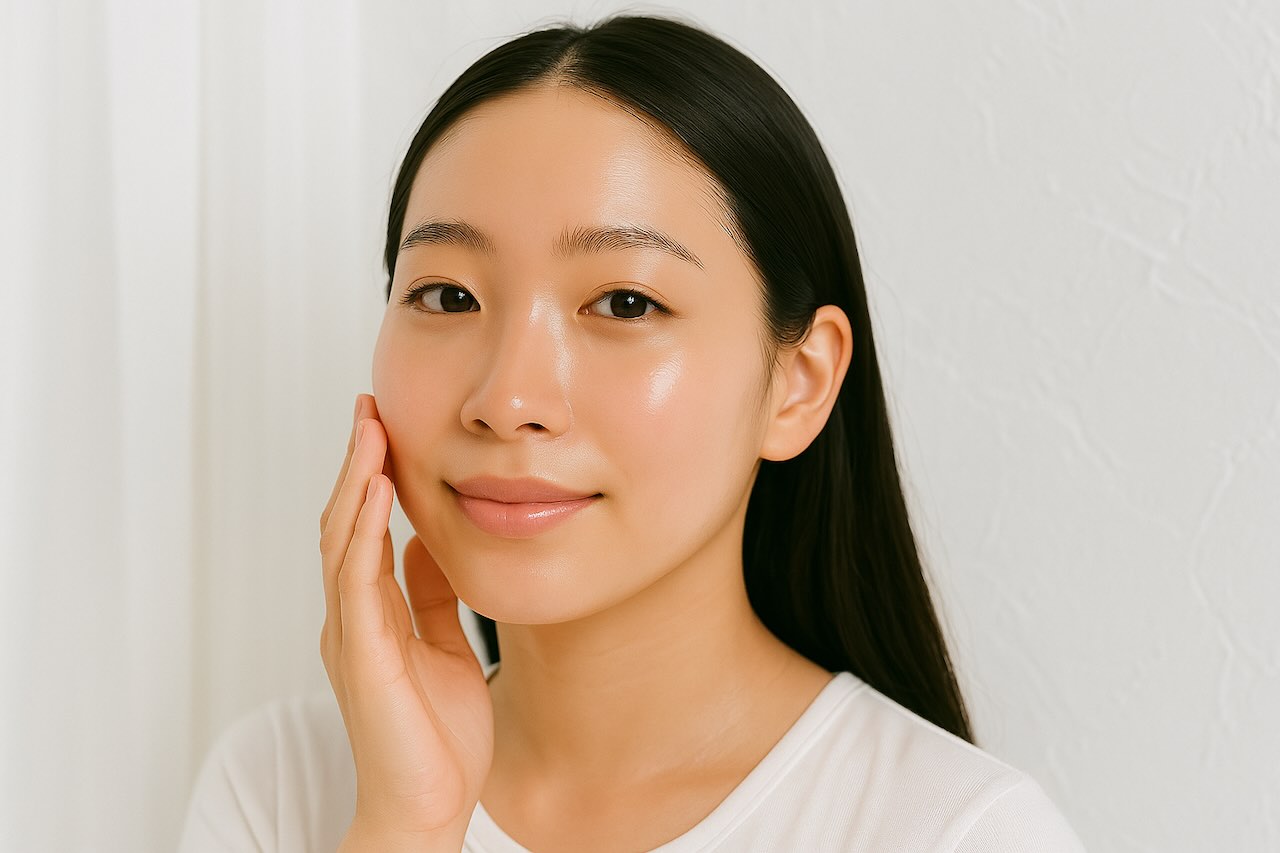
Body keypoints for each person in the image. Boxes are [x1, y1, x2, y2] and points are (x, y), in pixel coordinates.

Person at [178, 12, 1087, 852]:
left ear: (799, 384)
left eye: (623, 301)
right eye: (448, 295)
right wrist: (407, 822)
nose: (507, 398)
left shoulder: (958, 832)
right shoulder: (282, 787)